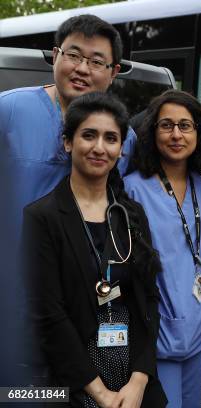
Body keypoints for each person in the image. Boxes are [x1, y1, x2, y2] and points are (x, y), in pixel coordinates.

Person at [0, 14, 135, 383]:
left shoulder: (126, 138)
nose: (81, 68)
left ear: (114, 71)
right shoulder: (9, 111)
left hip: (85, 304)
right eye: (73, 54)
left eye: (96, 61)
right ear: (55, 55)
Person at [22, 92, 166, 407]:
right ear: (68, 143)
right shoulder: (41, 218)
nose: (100, 147)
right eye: (89, 135)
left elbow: (148, 302)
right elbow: (48, 313)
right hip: (71, 381)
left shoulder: (130, 214)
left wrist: (140, 379)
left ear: (120, 149)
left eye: (111, 138)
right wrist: (100, 394)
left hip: (131, 380)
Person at [124, 90, 201, 408]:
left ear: (198, 133)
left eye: (185, 125)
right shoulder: (133, 188)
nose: (176, 134)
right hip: (156, 332)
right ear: (152, 133)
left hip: (197, 329)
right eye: (166, 125)